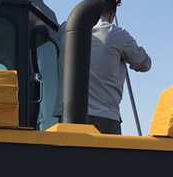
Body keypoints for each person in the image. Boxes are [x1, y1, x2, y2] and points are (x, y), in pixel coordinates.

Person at [54, 0, 152, 134]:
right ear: (112, 15)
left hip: (66, 116)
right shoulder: (118, 34)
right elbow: (144, 64)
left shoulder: (65, 30)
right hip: (105, 118)